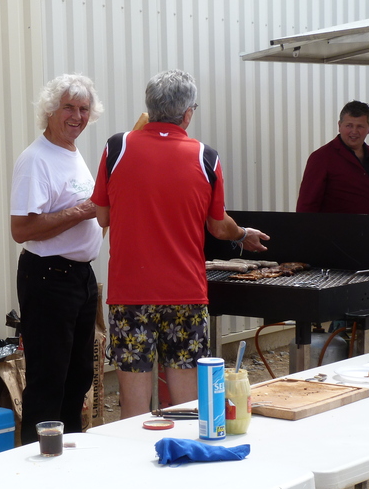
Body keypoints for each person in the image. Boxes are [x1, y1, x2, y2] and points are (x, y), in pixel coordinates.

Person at [91, 69, 269, 419]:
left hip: (131, 294)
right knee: (187, 406)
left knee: (135, 410)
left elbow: (102, 217)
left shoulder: (117, 147)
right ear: (188, 113)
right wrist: (242, 233)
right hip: (185, 294)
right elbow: (219, 228)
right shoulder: (206, 157)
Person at [10, 74, 104, 444]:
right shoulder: (36, 160)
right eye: (68, 107)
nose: (77, 116)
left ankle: (69, 454)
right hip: (49, 277)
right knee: (49, 378)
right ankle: (36, 462)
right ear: (50, 110)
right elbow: (22, 228)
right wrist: (81, 213)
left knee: (78, 375)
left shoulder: (72, 154)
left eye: (83, 109)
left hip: (79, 277)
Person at [296, 100, 369, 214]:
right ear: (339, 125)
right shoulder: (321, 158)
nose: (354, 131)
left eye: (360, 126)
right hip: (335, 231)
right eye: (349, 126)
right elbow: (307, 206)